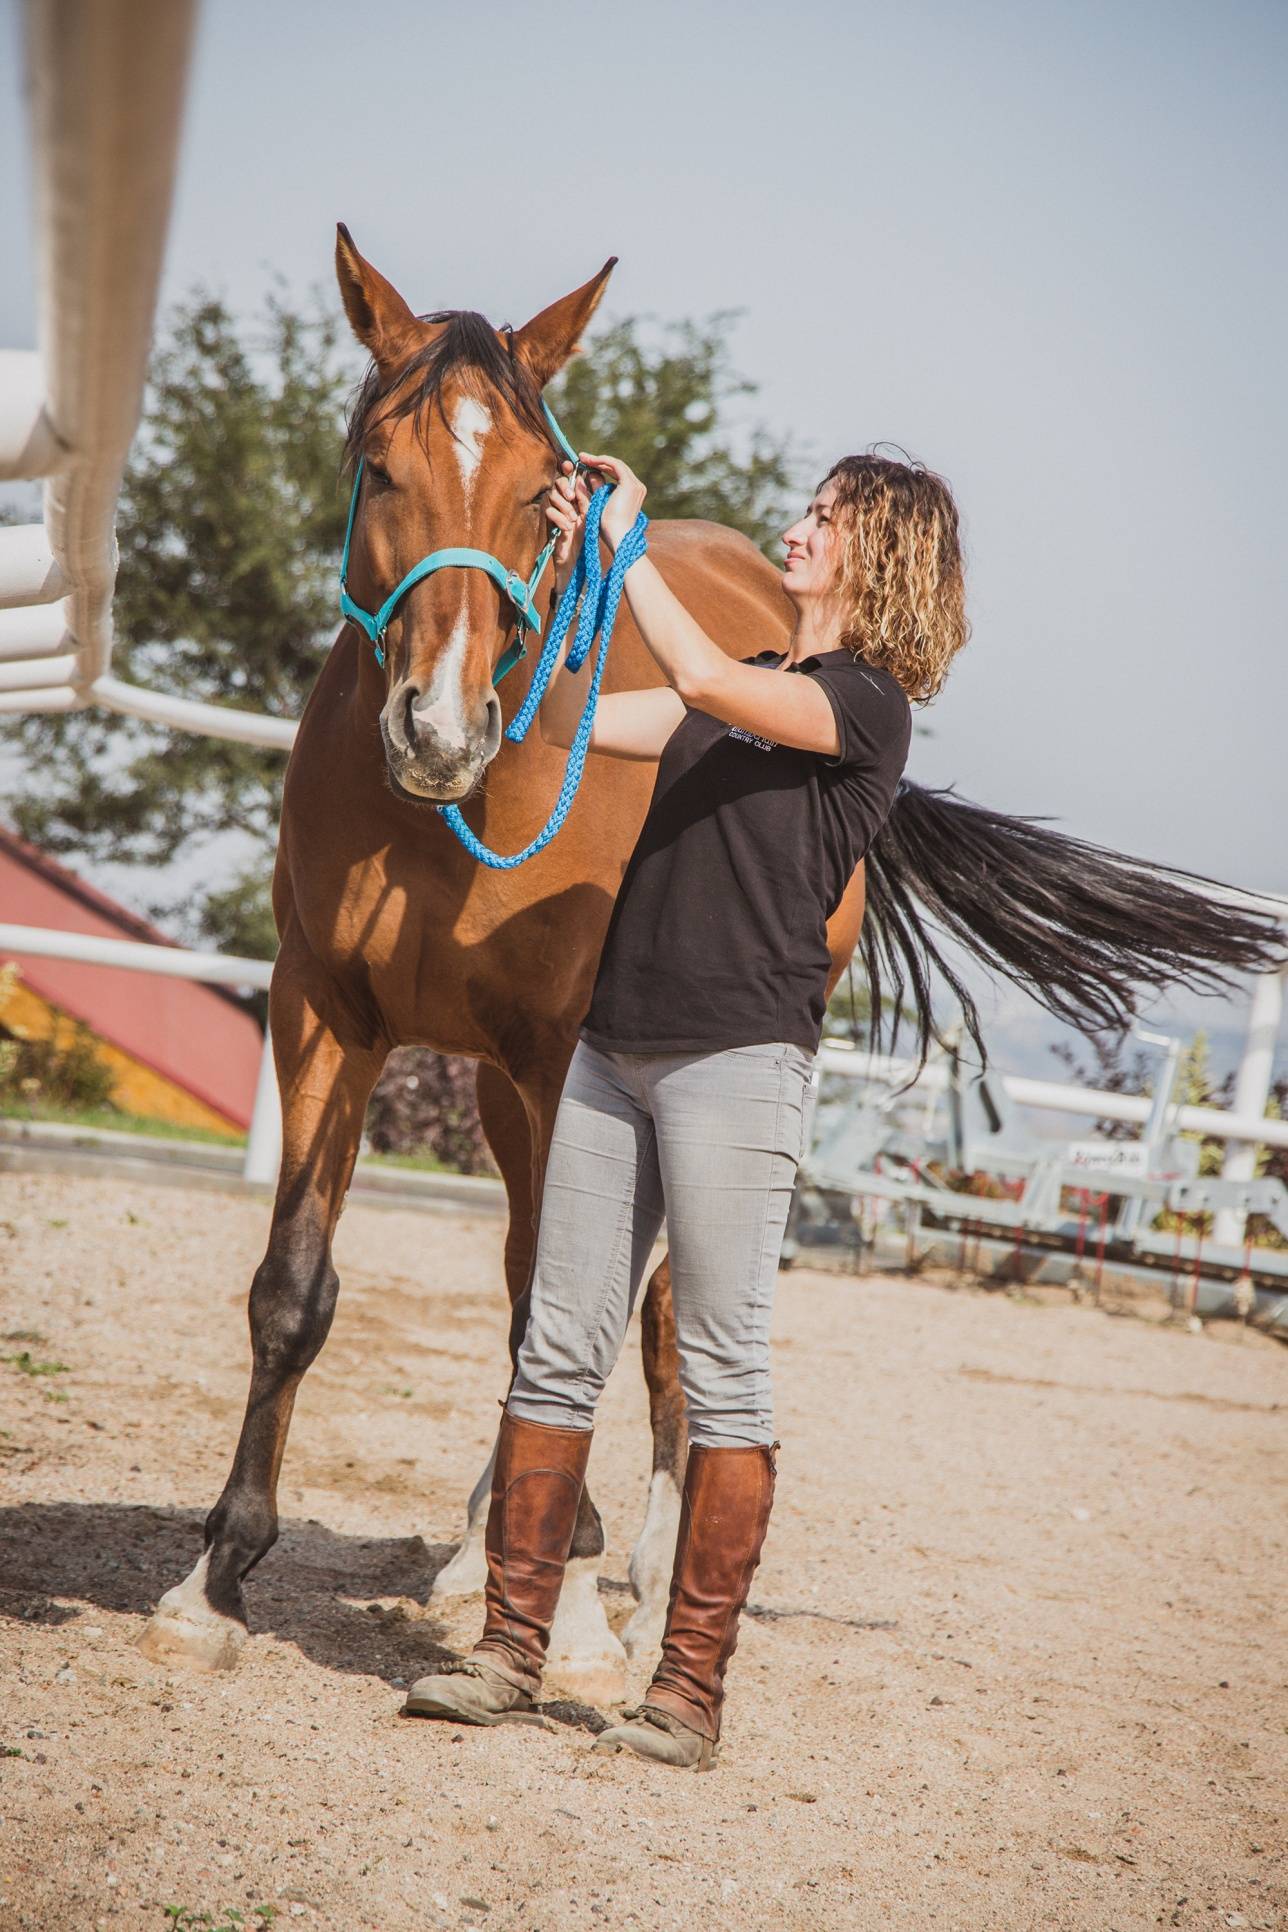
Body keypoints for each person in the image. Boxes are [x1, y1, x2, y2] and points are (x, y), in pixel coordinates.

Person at [404, 447, 968, 1767]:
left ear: (878, 557)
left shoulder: (864, 707)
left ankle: (689, 1693)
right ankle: (508, 1650)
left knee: (723, 1368)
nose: (797, 528)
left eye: (824, 520)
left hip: (736, 1062)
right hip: (615, 1045)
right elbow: (578, 719)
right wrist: (552, 582)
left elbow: (700, 675)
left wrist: (630, 540)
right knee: (556, 1345)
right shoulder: (745, 697)